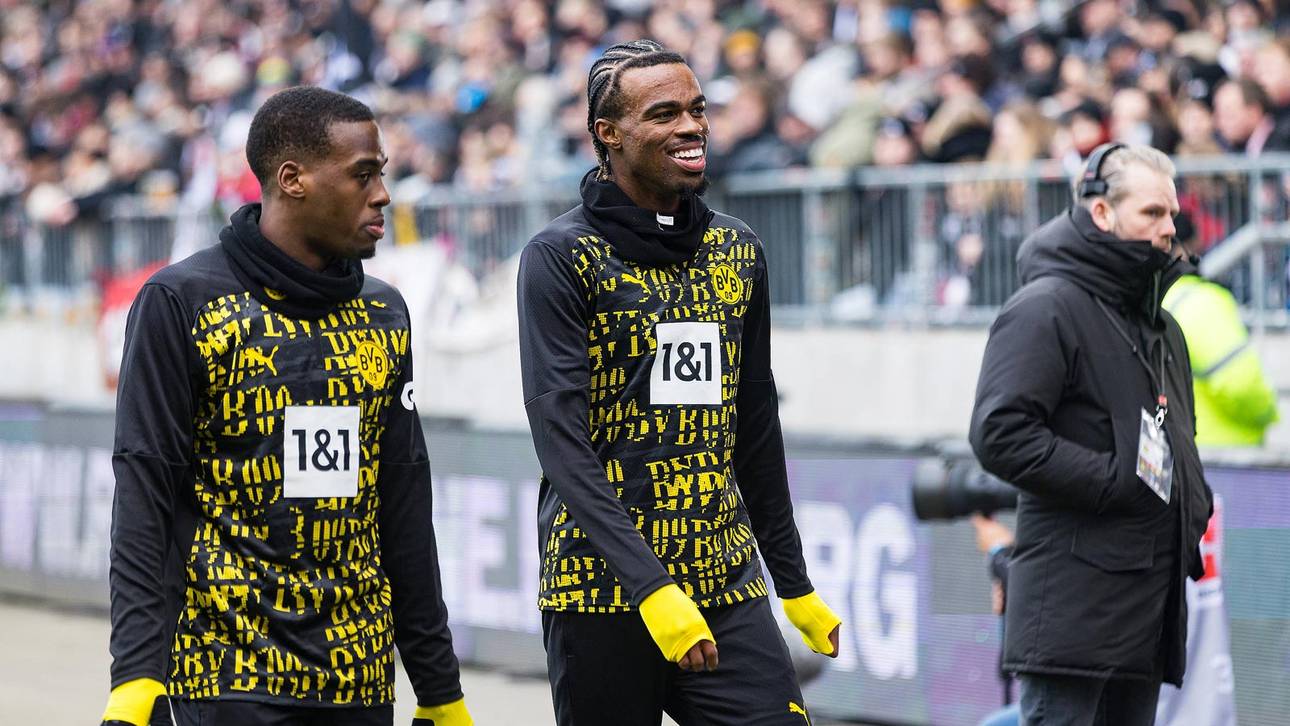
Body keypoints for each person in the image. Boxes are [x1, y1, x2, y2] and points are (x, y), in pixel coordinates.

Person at [100, 86, 471, 726]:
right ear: (291, 179)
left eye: (381, 173)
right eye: (363, 175)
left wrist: (439, 689)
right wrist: (134, 680)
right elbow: (143, 494)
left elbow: (404, 503)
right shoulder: (180, 302)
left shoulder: (385, 312)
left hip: (356, 685)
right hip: (219, 680)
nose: (383, 194)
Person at [516, 40, 842, 726]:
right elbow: (563, 443)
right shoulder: (561, 258)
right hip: (601, 591)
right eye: (664, 113)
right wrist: (652, 588)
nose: (692, 126)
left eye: (697, 109)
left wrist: (794, 582)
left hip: (725, 579)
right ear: (608, 134)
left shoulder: (736, 250)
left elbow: (754, 429)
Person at [969, 142, 1214, 726]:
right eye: (1152, 213)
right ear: (1101, 213)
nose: (1167, 228)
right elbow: (999, 432)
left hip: (1145, 616)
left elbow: (1174, 441)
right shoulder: (1046, 307)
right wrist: (1113, 482)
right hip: (1073, 619)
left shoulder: (1162, 327)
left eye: (1172, 215)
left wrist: (1191, 507)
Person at [1162, 216, 1279, 447]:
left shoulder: (1153, 301)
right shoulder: (1201, 303)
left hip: (1175, 455)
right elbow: (1241, 383)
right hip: (1224, 460)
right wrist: (1268, 412)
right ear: (1181, 251)